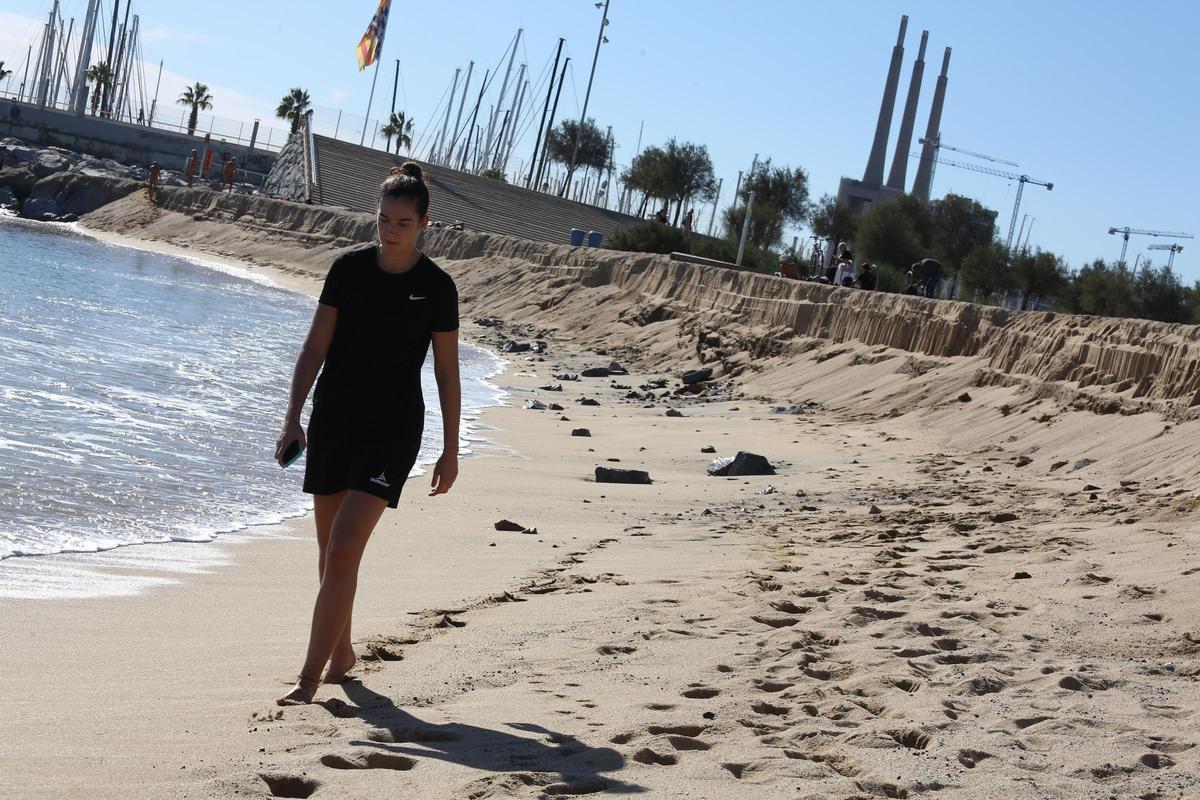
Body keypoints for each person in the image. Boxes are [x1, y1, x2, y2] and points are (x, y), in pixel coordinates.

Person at [273, 162, 461, 706]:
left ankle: (308, 680)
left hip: (393, 429)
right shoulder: (347, 270)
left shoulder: (436, 288)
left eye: (402, 222)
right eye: (382, 219)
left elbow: (447, 373)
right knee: (330, 552)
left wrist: (450, 450)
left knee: (346, 545)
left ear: (424, 223)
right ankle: (343, 652)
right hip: (334, 419)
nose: (389, 230)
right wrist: (292, 417)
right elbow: (314, 348)